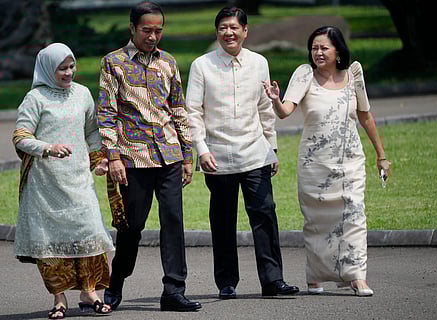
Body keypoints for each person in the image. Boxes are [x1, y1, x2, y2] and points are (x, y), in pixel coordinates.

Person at [263, 26, 391, 296]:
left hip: (350, 161)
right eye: (314, 48)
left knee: (354, 216)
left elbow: (365, 116)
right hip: (315, 164)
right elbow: (285, 111)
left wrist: (381, 155)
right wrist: (275, 100)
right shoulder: (304, 75)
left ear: (337, 50)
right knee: (317, 222)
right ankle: (316, 277)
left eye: (324, 48)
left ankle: (357, 276)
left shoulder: (353, 75)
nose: (318, 52)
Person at [186, 6, 299, 299]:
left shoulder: (259, 63)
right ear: (217, 32)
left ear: (245, 31)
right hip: (217, 155)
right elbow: (193, 112)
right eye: (223, 27)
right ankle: (226, 282)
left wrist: (272, 147)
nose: (229, 33)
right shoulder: (202, 65)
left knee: (264, 214)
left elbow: (265, 108)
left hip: (255, 153)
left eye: (234, 27)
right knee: (223, 220)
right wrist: (201, 149)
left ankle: (273, 280)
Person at [96, 1, 201, 312]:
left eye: (158, 30)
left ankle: (173, 291)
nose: (153, 36)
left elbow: (179, 109)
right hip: (133, 158)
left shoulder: (168, 62)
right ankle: (116, 283)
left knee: (173, 222)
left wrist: (186, 153)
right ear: (132, 28)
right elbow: (106, 112)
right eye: (147, 30)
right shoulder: (113, 62)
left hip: (168, 154)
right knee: (131, 227)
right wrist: (112, 156)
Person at [12, 43, 115, 319]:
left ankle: (89, 292)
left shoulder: (82, 94)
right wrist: (48, 147)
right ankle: (59, 299)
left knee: (90, 232)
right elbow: (21, 137)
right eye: (62, 68)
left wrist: (100, 160)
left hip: (78, 179)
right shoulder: (35, 98)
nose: (69, 73)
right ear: (48, 69)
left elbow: (92, 131)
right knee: (52, 242)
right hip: (46, 184)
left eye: (71, 66)